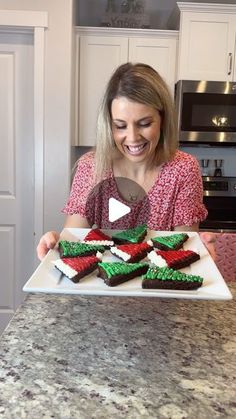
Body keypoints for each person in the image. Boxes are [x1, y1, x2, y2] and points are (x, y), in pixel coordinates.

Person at [37, 62, 210, 261]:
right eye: (120, 126)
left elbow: (184, 246)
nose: (132, 137)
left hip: (160, 288)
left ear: (162, 119)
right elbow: (73, 240)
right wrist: (55, 244)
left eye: (144, 124)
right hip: (103, 286)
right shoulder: (92, 167)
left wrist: (200, 256)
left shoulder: (183, 169)